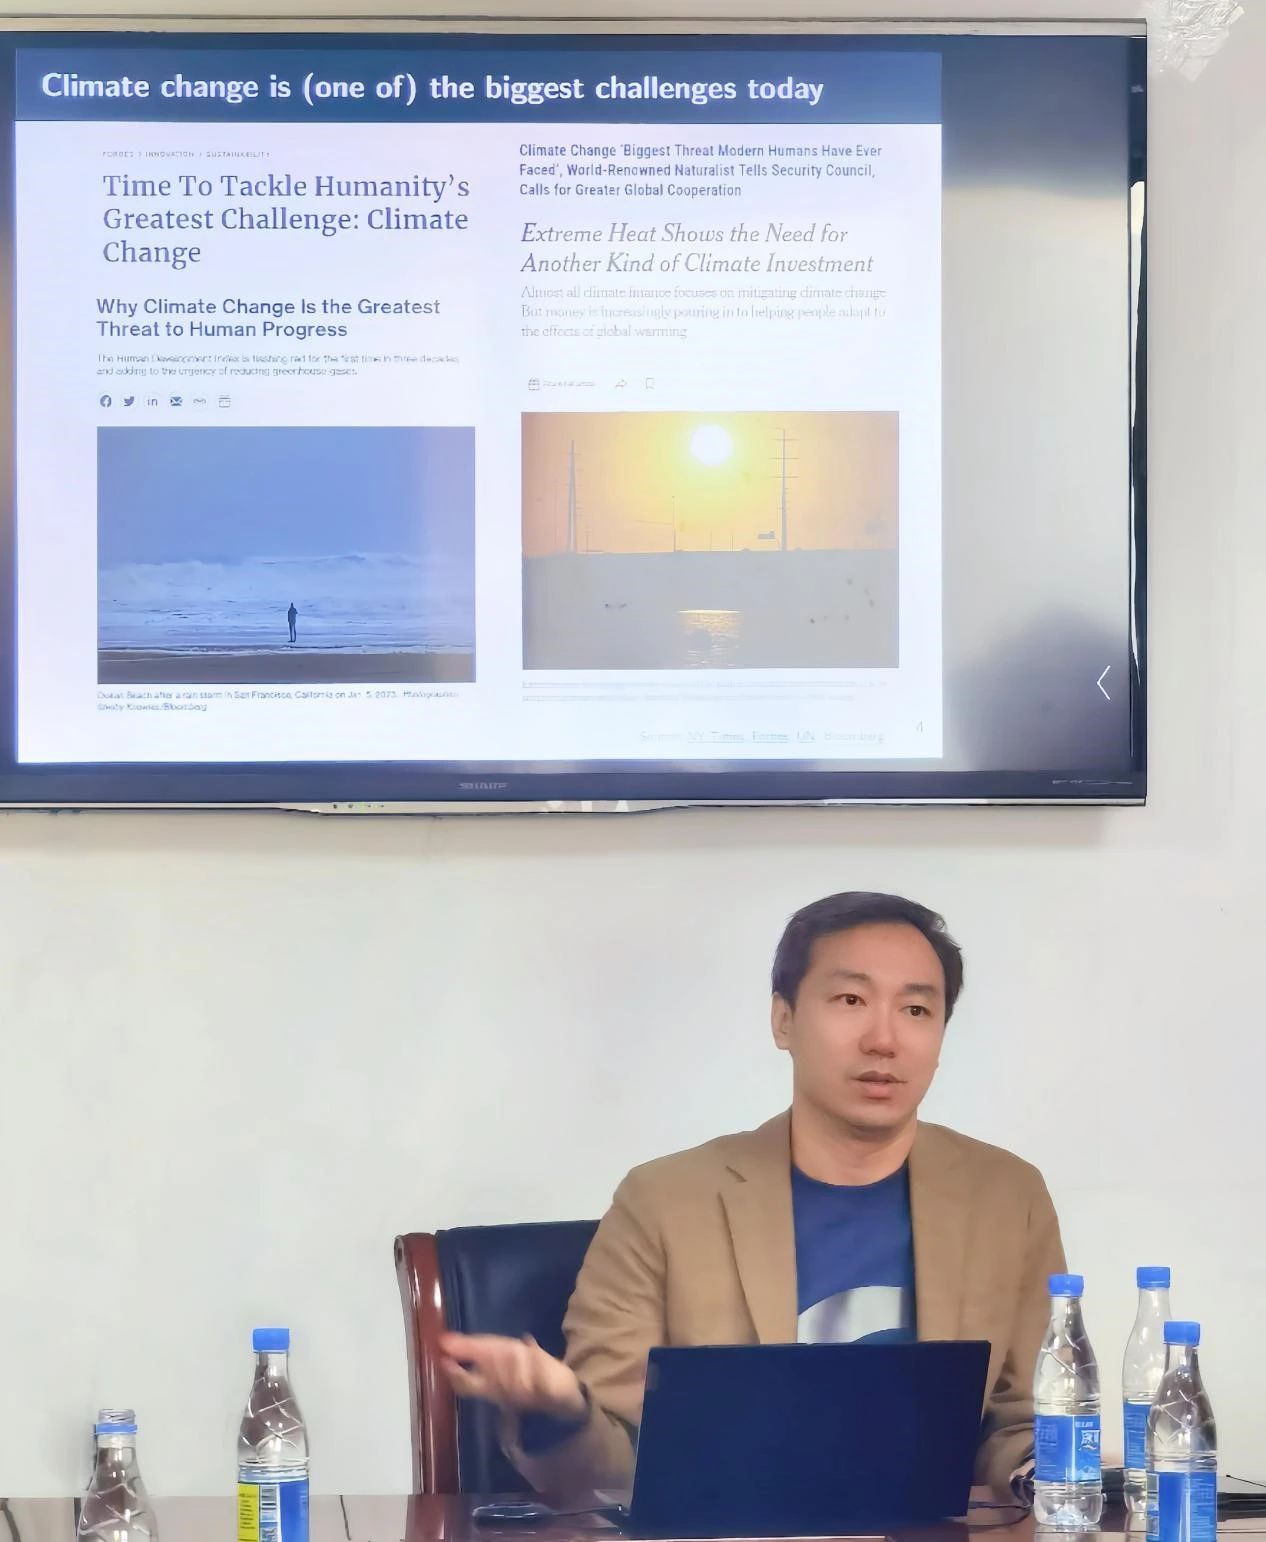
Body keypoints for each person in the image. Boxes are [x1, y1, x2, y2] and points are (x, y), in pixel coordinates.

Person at [441, 892, 1064, 1498]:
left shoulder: (1006, 1198)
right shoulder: (664, 1203)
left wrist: (1048, 1470)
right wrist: (560, 1412)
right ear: (783, 1020)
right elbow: (613, 1466)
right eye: (850, 1000)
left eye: (917, 1010)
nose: (884, 1039)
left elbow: (1019, 1419)